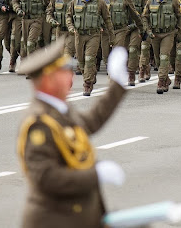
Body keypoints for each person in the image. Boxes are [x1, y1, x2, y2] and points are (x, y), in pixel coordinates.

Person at [17, 41, 128, 228]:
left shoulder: (59, 108)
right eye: (64, 70)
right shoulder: (39, 122)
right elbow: (46, 178)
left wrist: (117, 85)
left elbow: (90, 122)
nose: (71, 75)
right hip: (54, 221)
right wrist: (95, 175)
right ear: (48, 79)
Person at [66, 0, 115, 96]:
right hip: (79, 35)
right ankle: (90, 75)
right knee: (81, 61)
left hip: (93, 35)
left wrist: (112, 37)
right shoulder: (75, 0)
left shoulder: (100, 2)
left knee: (89, 58)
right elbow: (68, 16)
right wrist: (71, 28)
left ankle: (87, 84)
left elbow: (107, 20)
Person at [142, 0, 181, 93]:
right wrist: (148, 30)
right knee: (158, 59)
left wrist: (179, 31)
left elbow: (180, 16)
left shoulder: (173, 1)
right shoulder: (151, 0)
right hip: (155, 34)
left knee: (164, 56)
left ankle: (161, 82)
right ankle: (166, 79)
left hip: (168, 33)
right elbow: (145, 17)